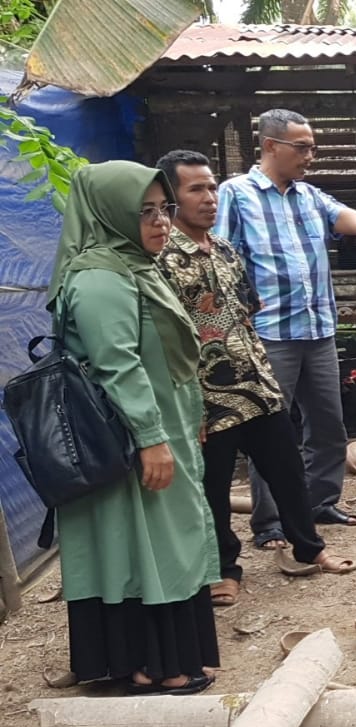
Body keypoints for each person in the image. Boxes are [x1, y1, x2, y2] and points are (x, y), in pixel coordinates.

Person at [215, 108, 356, 550]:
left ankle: (319, 503)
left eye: (313, 147)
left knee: (328, 427)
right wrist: (232, 327)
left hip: (317, 331)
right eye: (303, 147)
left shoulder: (310, 197)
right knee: (271, 432)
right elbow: (221, 260)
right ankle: (271, 522)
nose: (311, 156)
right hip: (267, 333)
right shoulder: (236, 194)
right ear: (270, 147)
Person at [156, 149, 356, 605]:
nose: (209, 197)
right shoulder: (163, 259)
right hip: (207, 397)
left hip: (257, 386)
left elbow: (248, 312)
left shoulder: (226, 250)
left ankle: (309, 549)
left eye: (211, 187)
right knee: (214, 486)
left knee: (286, 471)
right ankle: (224, 569)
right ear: (170, 197)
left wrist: (263, 374)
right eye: (196, 189)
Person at [49, 161, 219, 695]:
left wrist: (185, 422)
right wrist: (151, 439)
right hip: (129, 439)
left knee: (149, 542)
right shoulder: (101, 278)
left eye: (163, 209)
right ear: (111, 214)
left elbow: (162, 361)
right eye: (143, 211)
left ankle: (136, 661)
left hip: (154, 431)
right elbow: (117, 365)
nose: (161, 222)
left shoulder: (132, 268)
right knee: (151, 544)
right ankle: (154, 663)